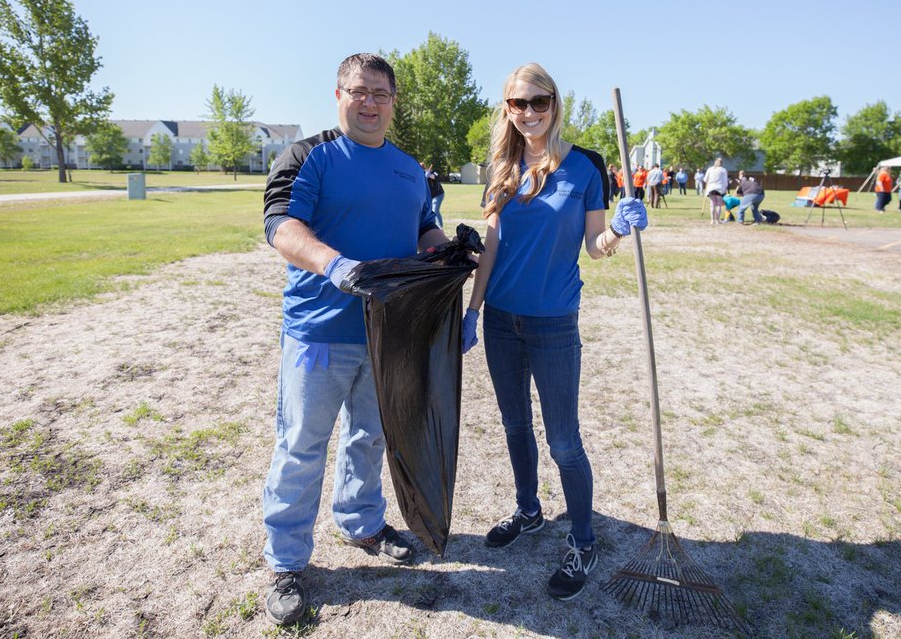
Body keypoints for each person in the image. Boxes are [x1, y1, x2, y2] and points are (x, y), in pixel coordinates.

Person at [260, 53, 450, 627]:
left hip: (388, 334)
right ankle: (287, 561)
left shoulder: (409, 169)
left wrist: (447, 247)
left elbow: (422, 228)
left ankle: (362, 522)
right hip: (319, 332)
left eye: (380, 94)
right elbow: (281, 227)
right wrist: (334, 263)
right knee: (300, 446)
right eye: (359, 91)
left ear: (393, 102)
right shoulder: (309, 156)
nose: (370, 102)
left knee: (370, 436)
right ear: (337, 95)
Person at [459, 62, 647, 602]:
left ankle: (583, 540)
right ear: (507, 109)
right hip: (501, 320)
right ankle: (529, 510)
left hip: (553, 324)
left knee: (564, 440)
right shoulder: (503, 165)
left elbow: (594, 246)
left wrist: (618, 227)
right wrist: (473, 311)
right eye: (519, 104)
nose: (530, 112)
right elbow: (491, 246)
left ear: (554, 104)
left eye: (539, 102)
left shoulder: (585, 166)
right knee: (515, 424)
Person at [704, 157, 729, 226]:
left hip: (711, 188)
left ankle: (712, 220)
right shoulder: (723, 170)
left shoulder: (710, 169)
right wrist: (726, 187)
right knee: (718, 205)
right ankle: (717, 220)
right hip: (719, 189)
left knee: (712, 205)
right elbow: (725, 181)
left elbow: (705, 179)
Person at [424, 162, 445, 228]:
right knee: (429, 212)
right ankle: (433, 226)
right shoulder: (421, 175)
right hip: (430, 196)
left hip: (438, 195)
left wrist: (429, 175)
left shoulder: (432, 172)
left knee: (435, 210)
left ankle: (441, 228)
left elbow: (436, 178)